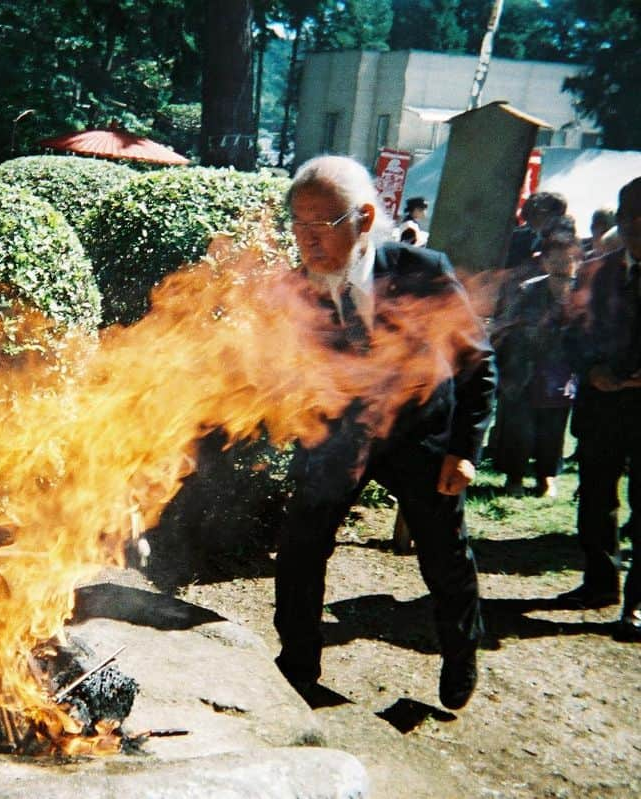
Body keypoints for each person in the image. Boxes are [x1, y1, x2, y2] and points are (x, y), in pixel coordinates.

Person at [274, 155, 497, 709]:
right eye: (298, 225)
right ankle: (297, 665)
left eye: (322, 224)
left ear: (365, 218)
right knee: (301, 545)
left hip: (421, 436)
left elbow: (478, 362)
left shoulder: (421, 272)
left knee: (443, 553)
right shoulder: (296, 288)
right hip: (337, 439)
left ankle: (461, 651)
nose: (308, 240)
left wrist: (464, 452)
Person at [562, 177, 641, 642]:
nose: (635, 227)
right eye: (629, 217)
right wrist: (592, 370)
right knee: (595, 499)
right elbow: (571, 332)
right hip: (602, 407)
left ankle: (636, 604)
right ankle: (599, 581)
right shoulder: (596, 272)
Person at [491, 216, 580, 497]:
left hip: (560, 371)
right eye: (554, 259)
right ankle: (514, 478)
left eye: (567, 259)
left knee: (552, 428)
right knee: (519, 426)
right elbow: (505, 326)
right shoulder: (527, 289)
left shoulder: (581, 294)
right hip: (523, 368)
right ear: (545, 261)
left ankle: (546, 477)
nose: (561, 264)